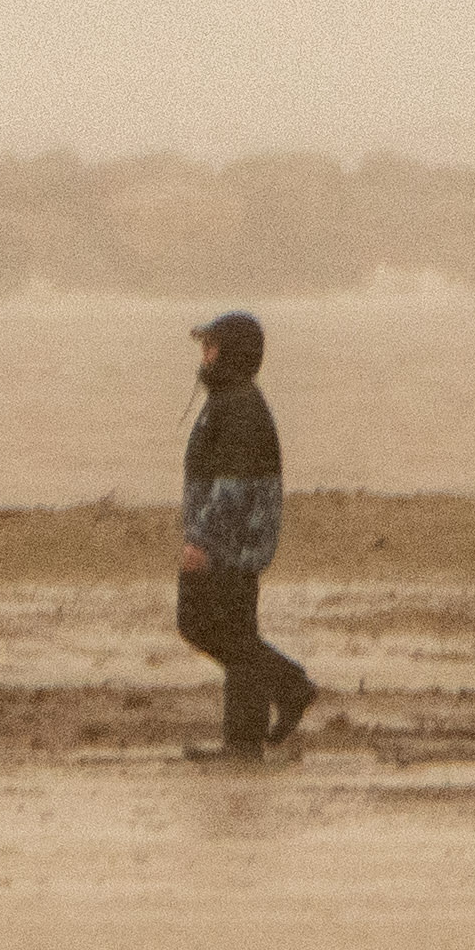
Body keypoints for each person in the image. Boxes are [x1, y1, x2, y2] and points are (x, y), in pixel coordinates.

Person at [176, 310, 317, 760]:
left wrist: (201, 540)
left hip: (232, 544)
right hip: (235, 541)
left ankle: (286, 692)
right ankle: (245, 739)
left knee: (208, 627)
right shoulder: (230, 399)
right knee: (236, 635)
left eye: (211, 347)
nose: (204, 355)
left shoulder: (238, 404)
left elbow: (234, 486)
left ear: (230, 354)